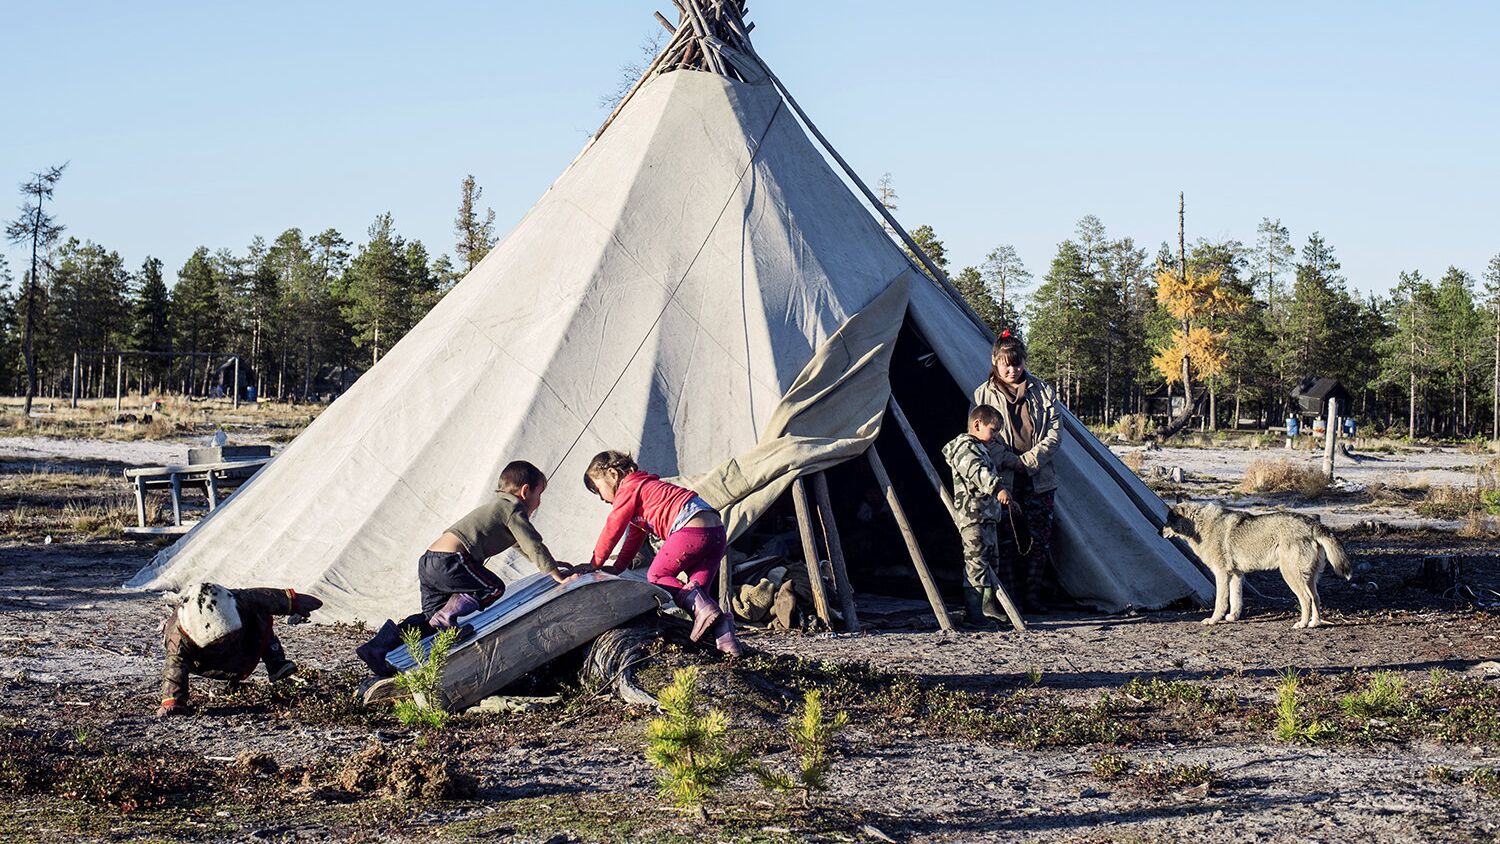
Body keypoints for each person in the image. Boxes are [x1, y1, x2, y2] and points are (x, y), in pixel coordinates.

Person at [355, 460, 575, 677]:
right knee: (493, 588)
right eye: (539, 494)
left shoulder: (496, 508)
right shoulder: (512, 508)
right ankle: (446, 617)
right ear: (526, 491)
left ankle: (376, 649)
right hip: (451, 561)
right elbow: (532, 542)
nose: (539, 502)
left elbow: (520, 544)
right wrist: (556, 575)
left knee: (430, 621)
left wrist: (551, 564)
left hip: (429, 561)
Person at [584, 451, 742, 657]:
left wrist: (595, 562)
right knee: (700, 597)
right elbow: (635, 537)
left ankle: (712, 622)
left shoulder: (628, 487)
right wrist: (618, 567)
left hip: (690, 527)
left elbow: (613, 526)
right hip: (715, 531)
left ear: (613, 474)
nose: (602, 499)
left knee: (657, 576)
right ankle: (728, 644)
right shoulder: (644, 491)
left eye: (598, 489)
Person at [972, 330, 1062, 611]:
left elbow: (1054, 434)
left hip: (1039, 478)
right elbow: (980, 436)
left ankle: (1033, 597)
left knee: (1039, 539)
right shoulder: (983, 394)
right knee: (1006, 540)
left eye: (1017, 363)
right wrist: (1012, 461)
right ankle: (1010, 597)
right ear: (995, 362)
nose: (1012, 370)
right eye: (1005, 364)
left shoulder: (1043, 392)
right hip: (1004, 478)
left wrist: (1030, 460)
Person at [158, 582, 323, 717]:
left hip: (241, 644)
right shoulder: (179, 637)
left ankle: (276, 663)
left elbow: (260, 598)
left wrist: (291, 602)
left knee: (260, 614)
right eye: (220, 638)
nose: (224, 639)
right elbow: (174, 668)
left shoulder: (231, 600)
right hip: (206, 661)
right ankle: (224, 682)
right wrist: (173, 702)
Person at [941, 404, 1013, 629]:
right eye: (993, 430)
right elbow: (977, 472)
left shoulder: (981, 448)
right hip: (973, 516)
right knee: (976, 565)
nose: (995, 436)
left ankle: (988, 607)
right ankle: (975, 613)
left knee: (991, 562)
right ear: (977, 425)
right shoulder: (966, 448)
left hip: (987, 515)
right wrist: (997, 488)